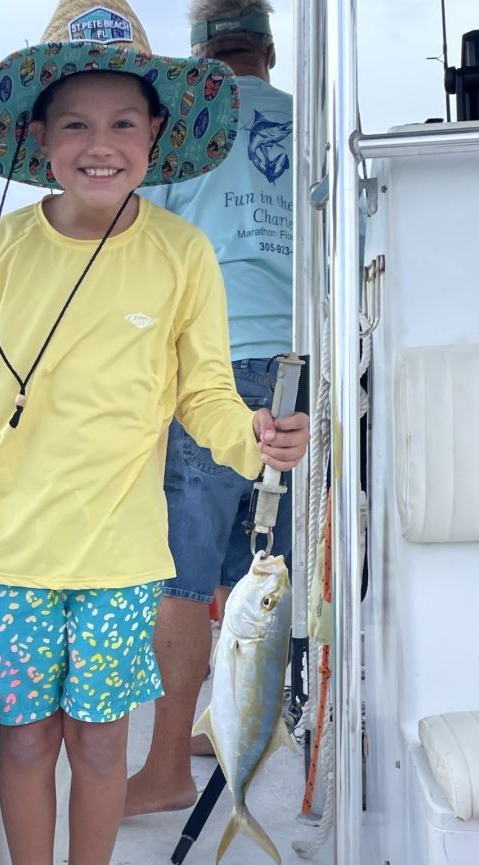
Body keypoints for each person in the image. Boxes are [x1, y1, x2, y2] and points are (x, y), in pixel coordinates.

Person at [0, 0, 305, 865]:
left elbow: (203, 393)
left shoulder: (182, 253)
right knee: (25, 742)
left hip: (125, 561)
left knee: (96, 744)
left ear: (156, 136)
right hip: (11, 559)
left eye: (124, 122)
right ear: (39, 136)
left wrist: (254, 434)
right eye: (77, 123)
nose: (102, 143)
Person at [125, 0, 309, 818]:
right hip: (306, 373)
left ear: (198, 56)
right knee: (267, 568)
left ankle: (165, 768)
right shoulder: (312, 122)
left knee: (184, 577)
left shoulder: (185, 125)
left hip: (209, 365)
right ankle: (241, 733)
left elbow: (147, 244)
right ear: (268, 49)